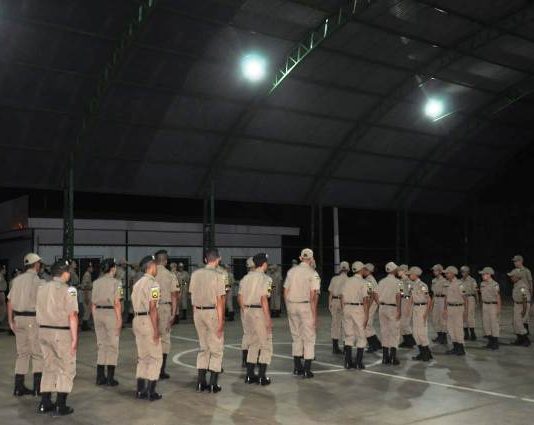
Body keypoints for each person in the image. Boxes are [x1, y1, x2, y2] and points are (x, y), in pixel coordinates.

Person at [36, 259, 78, 416]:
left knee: (48, 366)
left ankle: (45, 402)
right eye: (69, 271)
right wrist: (74, 338)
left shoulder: (42, 287)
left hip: (43, 331)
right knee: (66, 368)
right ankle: (61, 405)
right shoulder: (70, 290)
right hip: (61, 333)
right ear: (64, 273)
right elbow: (72, 315)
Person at [7, 253, 46, 396]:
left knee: (22, 353)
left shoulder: (16, 280)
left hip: (18, 319)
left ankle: (18, 387)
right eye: (39, 263)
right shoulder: (38, 281)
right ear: (36, 264)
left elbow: (10, 301)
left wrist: (10, 320)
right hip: (32, 319)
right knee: (37, 353)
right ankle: (37, 388)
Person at [189, 248, 226, 393]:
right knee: (216, 348)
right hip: (212, 312)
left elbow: (192, 297)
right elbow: (219, 300)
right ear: (218, 259)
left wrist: (195, 314)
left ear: (205, 260)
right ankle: (213, 384)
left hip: (198, 312)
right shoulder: (219, 275)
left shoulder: (195, 274)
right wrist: (221, 321)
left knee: (203, 347)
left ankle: (200, 382)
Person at [284, 248, 321, 378]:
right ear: (311, 259)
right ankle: (307, 369)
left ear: (300, 258)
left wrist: (288, 306)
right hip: (305, 306)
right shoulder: (313, 273)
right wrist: (314, 314)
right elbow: (313, 295)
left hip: (292, 305)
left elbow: (285, 290)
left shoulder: (291, 271)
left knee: (296, 336)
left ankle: (297, 367)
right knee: (309, 337)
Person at [238, 253, 273, 385]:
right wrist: (268, 318)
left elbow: (239, 297)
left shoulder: (245, 278)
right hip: (259, 312)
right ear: (264, 264)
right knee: (265, 344)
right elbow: (264, 299)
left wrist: (245, 310)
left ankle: (249, 375)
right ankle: (262, 376)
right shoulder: (267, 279)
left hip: (247, 311)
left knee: (253, 343)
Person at [131, 255, 163, 401]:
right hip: (147, 320)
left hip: (137, 320)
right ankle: (151, 391)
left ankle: (140, 390)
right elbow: (153, 308)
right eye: (155, 265)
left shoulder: (137, 283)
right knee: (155, 357)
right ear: (151, 266)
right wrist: (156, 330)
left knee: (142, 356)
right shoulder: (153, 284)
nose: (157, 268)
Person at [91, 258, 123, 386]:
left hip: (98, 313)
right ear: (113, 268)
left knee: (101, 345)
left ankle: (100, 377)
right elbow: (117, 302)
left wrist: (95, 317)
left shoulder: (96, 283)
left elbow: (93, 303)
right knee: (113, 345)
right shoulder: (117, 283)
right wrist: (119, 319)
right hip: (111, 314)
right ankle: (110, 378)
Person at [154, 250, 179, 380]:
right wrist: (173, 314)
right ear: (165, 261)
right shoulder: (170, 275)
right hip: (164, 308)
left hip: (151, 308)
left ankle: (152, 369)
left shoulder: (150, 274)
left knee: (153, 338)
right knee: (164, 339)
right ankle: (161, 371)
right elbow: (174, 295)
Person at [341, 261, 370, 370]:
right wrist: (366, 314)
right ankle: (358, 362)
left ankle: (348, 362)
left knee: (348, 335)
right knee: (361, 335)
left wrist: (344, 309)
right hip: (358, 308)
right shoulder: (364, 282)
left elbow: (342, 296)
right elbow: (365, 299)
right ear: (361, 270)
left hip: (347, 308)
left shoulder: (347, 281)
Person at [377, 262, 402, 365]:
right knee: (394, 332)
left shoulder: (381, 281)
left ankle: (385, 357)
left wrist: (380, 304)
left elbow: (375, 294)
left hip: (382, 307)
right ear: (394, 270)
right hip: (393, 308)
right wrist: (399, 309)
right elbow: (398, 295)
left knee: (384, 331)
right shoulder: (398, 282)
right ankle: (392, 357)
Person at [408, 266, 433, 361]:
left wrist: (427, 313)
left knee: (421, 332)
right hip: (415, 308)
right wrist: (409, 308)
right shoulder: (412, 285)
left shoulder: (422, 285)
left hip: (422, 308)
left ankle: (426, 354)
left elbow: (429, 299)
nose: (409, 276)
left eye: (411, 274)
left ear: (415, 275)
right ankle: (424, 353)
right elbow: (411, 297)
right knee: (415, 333)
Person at [443, 266, 468, 356]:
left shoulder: (459, 284)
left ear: (453, 273)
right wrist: (445, 309)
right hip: (449, 308)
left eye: (447, 273)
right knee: (450, 328)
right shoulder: (447, 284)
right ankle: (455, 347)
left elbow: (465, 298)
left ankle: (461, 349)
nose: (446, 274)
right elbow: (446, 297)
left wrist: (466, 311)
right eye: (446, 273)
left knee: (458, 328)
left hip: (458, 308)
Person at [328, 261, 349, 354]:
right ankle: (346, 347)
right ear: (348, 269)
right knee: (345, 324)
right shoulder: (349, 280)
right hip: (345, 302)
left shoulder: (334, 279)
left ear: (340, 269)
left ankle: (335, 347)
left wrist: (330, 304)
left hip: (334, 301)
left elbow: (330, 293)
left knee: (335, 324)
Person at [479, 267, 501, 350]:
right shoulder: (482, 284)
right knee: (486, 324)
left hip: (493, 305)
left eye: (484, 274)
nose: (482, 276)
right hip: (485, 305)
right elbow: (482, 295)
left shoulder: (495, 284)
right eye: (482, 274)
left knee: (493, 324)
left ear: (489, 274)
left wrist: (498, 309)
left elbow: (498, 297)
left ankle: (495, 343)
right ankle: (490, 342)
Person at [508, 268, 531, 347]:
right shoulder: (516, 284)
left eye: (512, 276)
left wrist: (524, 310)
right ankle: (519, 339)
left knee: (519, 323)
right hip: (517, 305)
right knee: (515, 323)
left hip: (523, 305)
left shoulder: (522, 286)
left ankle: (526, 340)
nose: (511, 278)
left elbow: (524, 298)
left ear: (517, 277)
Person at [362, 263, 382, 352]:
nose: (363, 271)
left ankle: (373, 345)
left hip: (371, 304)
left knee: (367, 325)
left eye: (364, 269)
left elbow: (371, 294)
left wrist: (368, 307)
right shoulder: (369, 279)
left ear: (368, 271)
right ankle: (377, 344)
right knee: (368, 325)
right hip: (372, 303)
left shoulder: (369, 280)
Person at [240, 257, 255, 367]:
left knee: (246, 333)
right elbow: (267, 294)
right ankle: (254, 359)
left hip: (245, 307)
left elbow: (240, 296)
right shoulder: (262, 278)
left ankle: (245, 360)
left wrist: (243, 308)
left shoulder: (244, 279)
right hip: (257, 309)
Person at [512, 255, 533, 334]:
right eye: (514, 261)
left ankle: (524, 335)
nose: (515, 263)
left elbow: (530, 283)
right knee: (519, 317)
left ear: (521, 261)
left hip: (525, 294)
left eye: (516, 261)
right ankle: (522, 334)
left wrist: (531, 297)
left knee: (524, 317)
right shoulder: (514, 271)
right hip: (518, 294)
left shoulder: (526, 271)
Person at [398, 264, 416, 349]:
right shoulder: (401, 280)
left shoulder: (408, 281)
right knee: (402, 323)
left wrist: (409, 305)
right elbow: (401, 292)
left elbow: (412, 293)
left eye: (400, 270)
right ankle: (407, 341)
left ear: (404, 271)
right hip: (403, 300)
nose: (398, 272)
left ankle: (411, 342)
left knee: (405, 323)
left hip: (407, 301)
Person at [430, 264, 448, 345]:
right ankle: (439, 335)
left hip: (442, 299)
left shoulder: (444, 281)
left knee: (442, 319)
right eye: (433, 270)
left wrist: (445, 308)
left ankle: (444, 337)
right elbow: (433, 294)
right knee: (435, 319)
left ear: (440, 271)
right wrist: (431, 304)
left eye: (435, 270)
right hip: (436, 299)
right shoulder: (433, 281)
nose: (434, 272)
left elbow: (447, 295)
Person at [460, 266, 478, 341]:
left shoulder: (472, 280)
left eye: (464, 271)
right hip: (462, 299)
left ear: (468, 272)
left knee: (470, 316)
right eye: (462, 271)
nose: (462, 273)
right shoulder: (460, 281)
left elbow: (476, 291)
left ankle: (473, 333)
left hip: (470, 298)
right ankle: (466, 333)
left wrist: (477, 300)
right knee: (463, 316)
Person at [80, 263, 94, 331]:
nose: (92, 269)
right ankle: (84, 325)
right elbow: (85, 286)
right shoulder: (87, 275)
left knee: (88, 309)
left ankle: (85, 324)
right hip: (87, 293)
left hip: (88, 292)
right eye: (91, 267)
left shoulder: (88, 274)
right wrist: (86, 297)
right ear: (88, 268)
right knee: (87, 309)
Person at [0, 265, 8, 331]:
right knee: (3, 310)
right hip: (0, 293)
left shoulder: (1, 276)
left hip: (2, 293)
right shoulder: (0, 276)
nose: (5, 270)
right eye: (4, 269)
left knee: (3, 310)